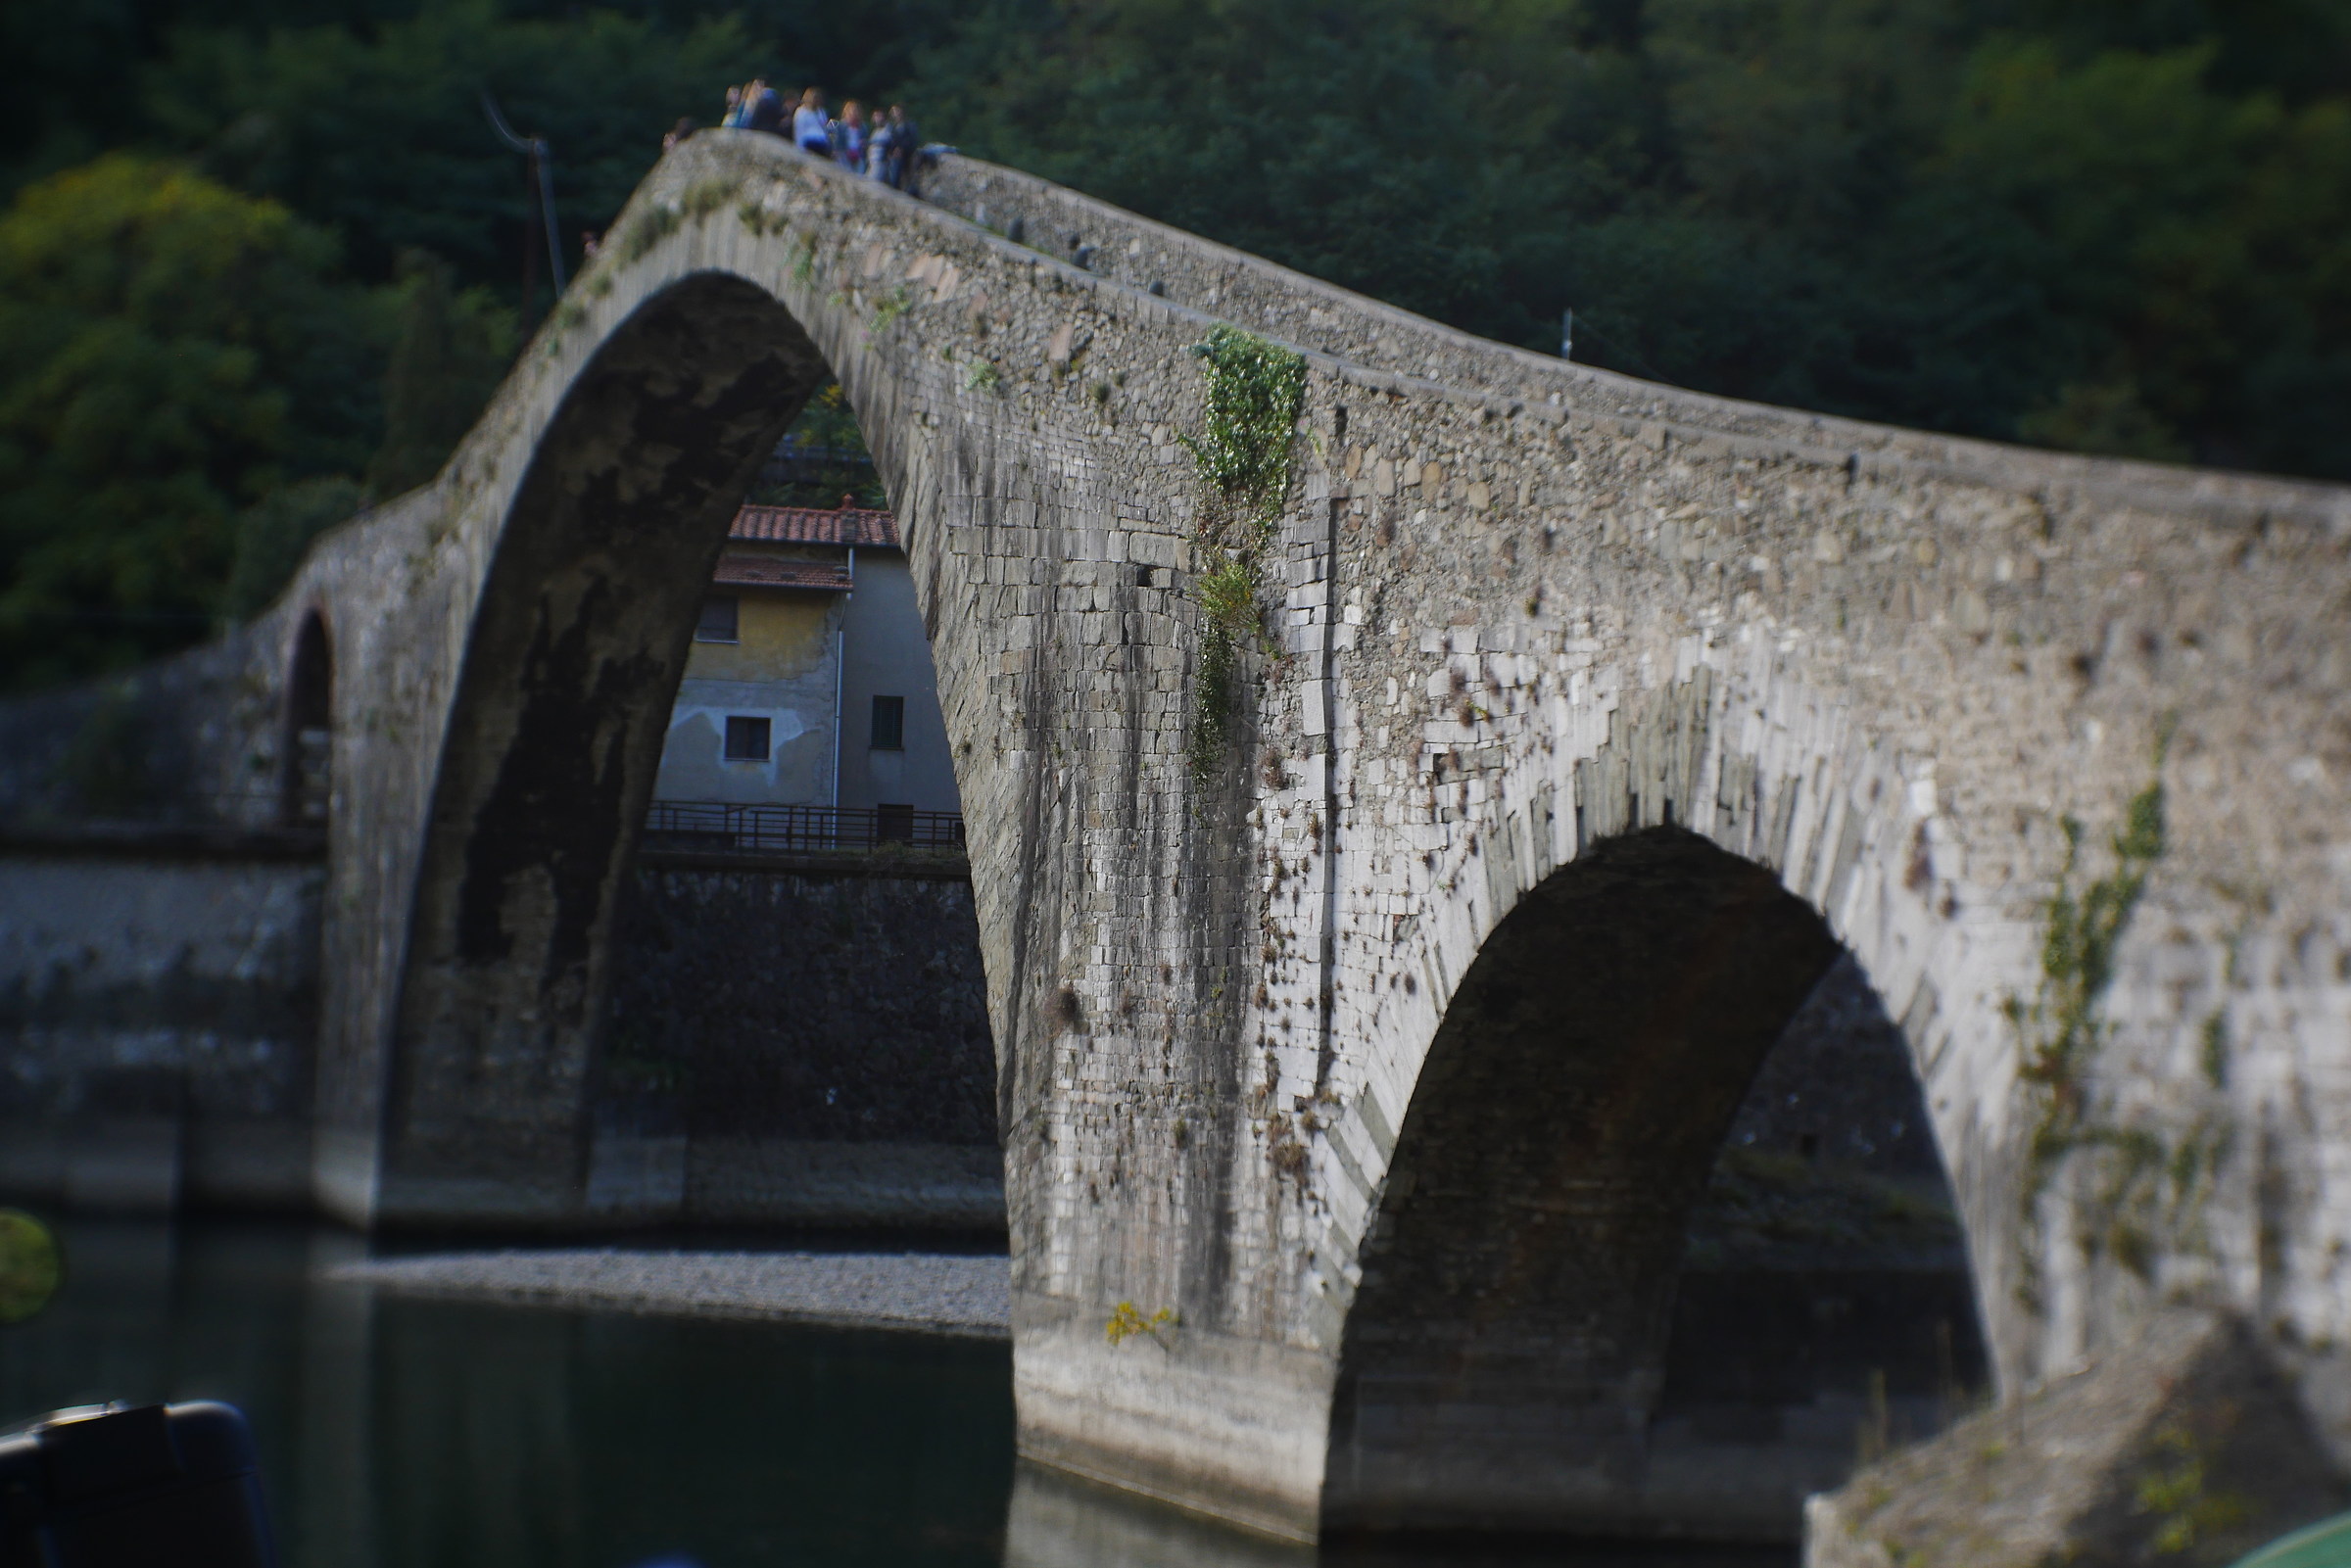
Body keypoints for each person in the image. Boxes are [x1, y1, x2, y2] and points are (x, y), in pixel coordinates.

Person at [793, 88, 832, 157]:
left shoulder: (822, 112)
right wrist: (799, 146)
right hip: (808, 139)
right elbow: (799, 128)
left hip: (821, 140)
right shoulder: (801, 112)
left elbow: (825, 128)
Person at [836, 101, 867, 170]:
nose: (855, 113)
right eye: (853, 111)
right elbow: (838, 141)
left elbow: (865, 140)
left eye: (857, 111)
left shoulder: (863, 127)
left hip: (859, 154)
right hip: (844, 154)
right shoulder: (842, 125)